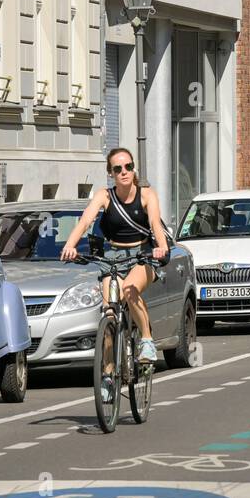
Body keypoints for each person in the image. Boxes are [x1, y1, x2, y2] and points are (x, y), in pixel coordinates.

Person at [60, 148, 170, 393]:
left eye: (128, 167)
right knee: (109, 310)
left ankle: (147, 340)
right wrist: (70, 245)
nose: (124, 172)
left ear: (134, 169)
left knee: (130, 291)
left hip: (142, 254)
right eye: (118, 169)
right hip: (113, 256)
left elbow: (155, 223)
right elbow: (86, 220)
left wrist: (161, 247)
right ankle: (108, 376)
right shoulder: (104, 196)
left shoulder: (147, 195)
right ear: (110, 173)